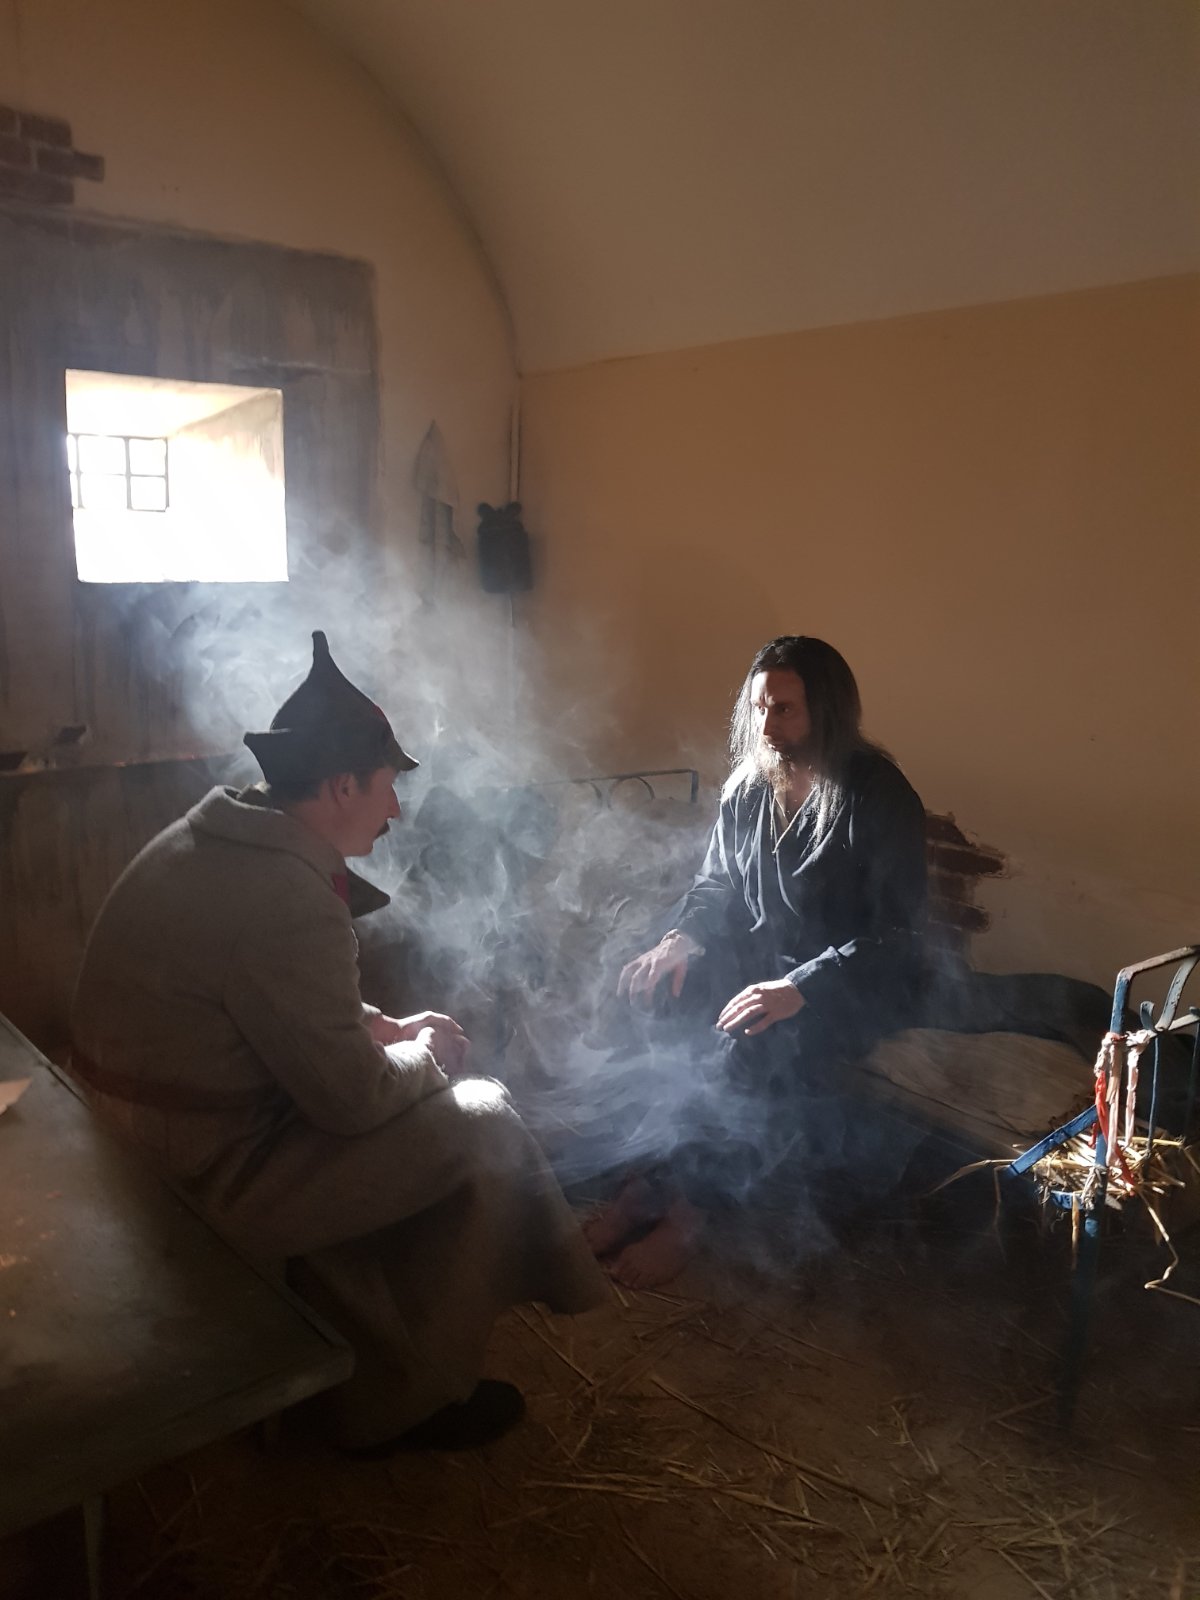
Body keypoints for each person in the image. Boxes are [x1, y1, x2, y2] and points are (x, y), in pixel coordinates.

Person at [70, 631, 607, 1452]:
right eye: (388, 787)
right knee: (482, 1121)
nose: (396, 810)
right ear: (343, 784)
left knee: (401, 1114)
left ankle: (358, 1357)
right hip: (190, 1176)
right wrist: (426, 1058)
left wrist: (383, 1029)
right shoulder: (285, 893)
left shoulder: (217, 839)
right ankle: (403, 1402)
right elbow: (352, 1101)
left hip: (138, 1139)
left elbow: (272, 1006)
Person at [589, 635, 928, 1287]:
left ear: (827, 710)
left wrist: (803, 985)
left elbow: (897, 935)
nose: (767, 726)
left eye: (784, 709)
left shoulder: (877, 795)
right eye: (759, 709)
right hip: (767, 966)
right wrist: (679, 939)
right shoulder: (750, 786)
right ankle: (646, 1184)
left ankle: (688, 1211)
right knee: (666, 996)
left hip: (854, 985)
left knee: (747, 1038)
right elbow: (716, 883)